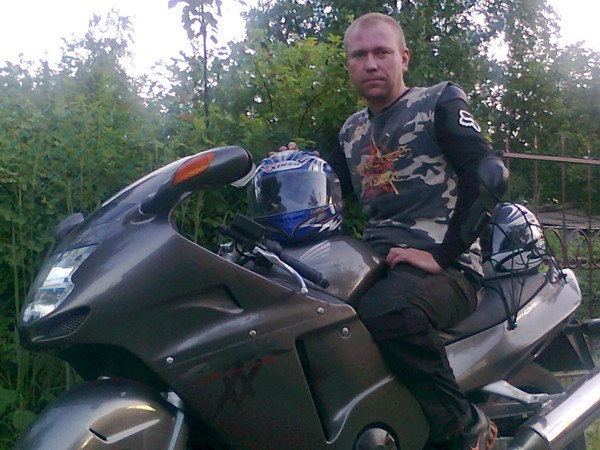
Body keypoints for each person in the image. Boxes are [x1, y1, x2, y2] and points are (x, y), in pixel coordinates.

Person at [281, 12, 505, 450]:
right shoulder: (351, 131)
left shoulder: (438, 102)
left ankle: (465, 428)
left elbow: (490, 175)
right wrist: (292, 170)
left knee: (390, 312)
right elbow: (326, 200)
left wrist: (443, 255)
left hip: (449, 268)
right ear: (349, 65)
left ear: (403, 58)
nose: (370, 63)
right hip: (376, 264)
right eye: (359, 55)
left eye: (381, 52)